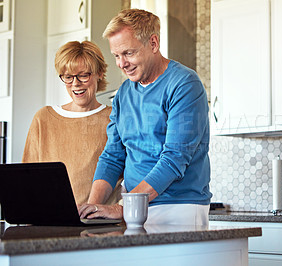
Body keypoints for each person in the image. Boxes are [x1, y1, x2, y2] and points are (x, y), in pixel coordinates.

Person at [79, 9, 212, 225]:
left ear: (153, 44)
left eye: (128, 53)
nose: (122, 64)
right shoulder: (124, 93)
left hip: (178, 209)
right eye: (116, 56)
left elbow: (174, 159)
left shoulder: (184, 84)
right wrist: (91, 209)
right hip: (134, 208)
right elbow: (113, 156)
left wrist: (122, 207)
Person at [23, 41, 122, 206]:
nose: (75, 83)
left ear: (100, 73)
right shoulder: (43, 118)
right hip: (51, 223)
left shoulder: (115, 117)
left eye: (83, 75)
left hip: (102, 225)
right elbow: (27, 180)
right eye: (68, 77)